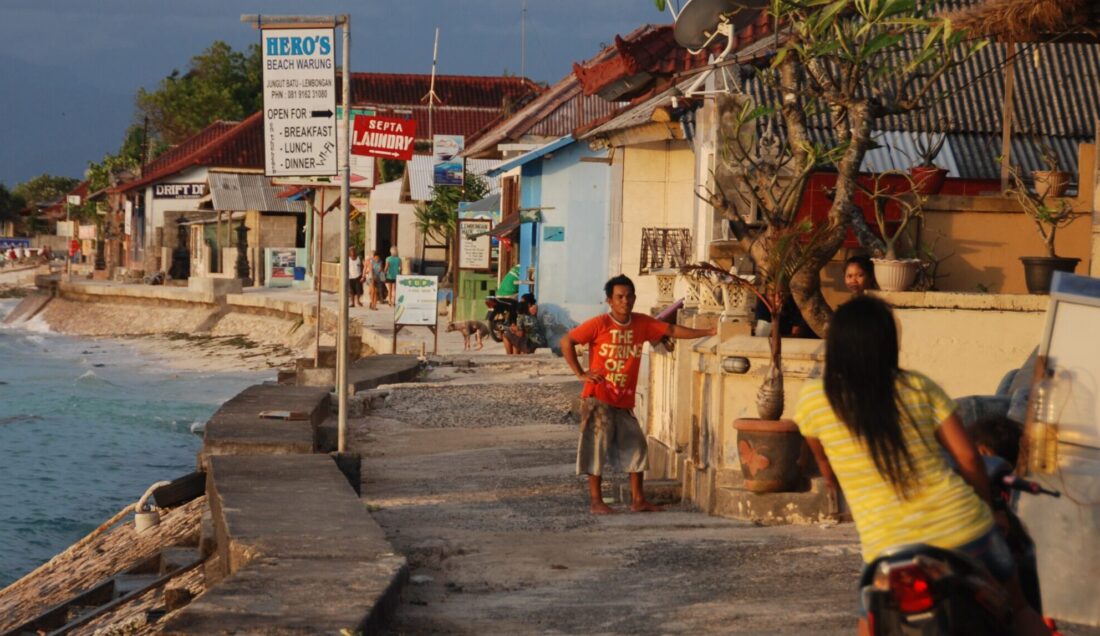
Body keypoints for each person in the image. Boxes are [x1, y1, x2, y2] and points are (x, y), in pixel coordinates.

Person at [793, 296, 1049, 636]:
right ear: (889, 343)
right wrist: (989, 509)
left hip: (887, 548)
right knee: (1019, 609)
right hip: (963, 529)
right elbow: (969, 457)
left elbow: (825, 466)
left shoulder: (813, 400)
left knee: (869, 622)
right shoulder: (918, 386)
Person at [561, 275, 717, 515]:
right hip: (598, 398)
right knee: (596, 450)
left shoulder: (642, 324)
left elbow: (672, 329)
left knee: (637, 447)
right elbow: (567, 341)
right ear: (610, 301)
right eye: (619, 297)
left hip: (624, 400)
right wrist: (581, 373)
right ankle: (596, 502)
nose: (625, 301)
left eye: (629, 296)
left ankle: (638, 499)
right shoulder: (599, 323)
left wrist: (708, 330)